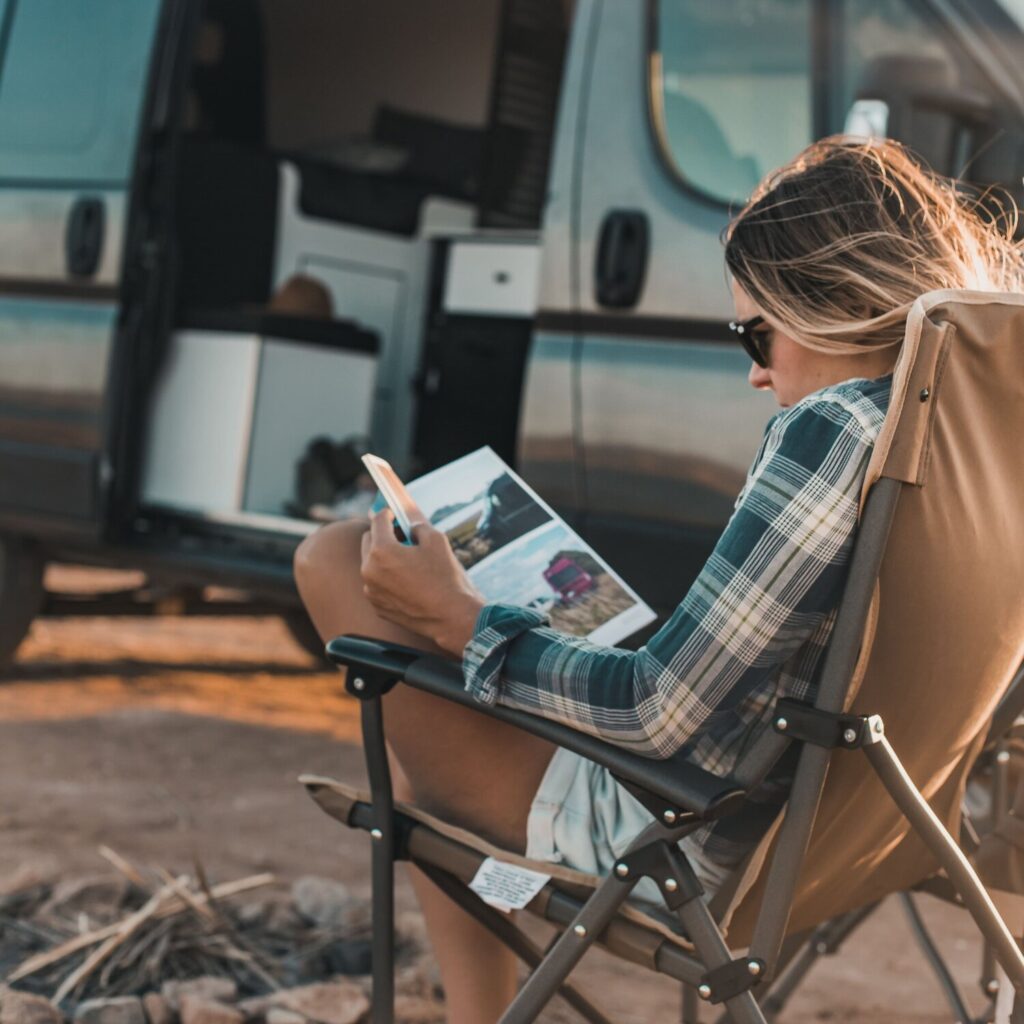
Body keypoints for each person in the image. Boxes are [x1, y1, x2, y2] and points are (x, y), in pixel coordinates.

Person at [293, 137, 1024, 1023]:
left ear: (828, 306)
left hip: (687, 836)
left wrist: (460, 621)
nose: (756, 371)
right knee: (434, 743)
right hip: (863, 836)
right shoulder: (987, 439)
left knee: (336, 559)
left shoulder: (836, 430)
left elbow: (656, 714)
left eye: (757, 333)